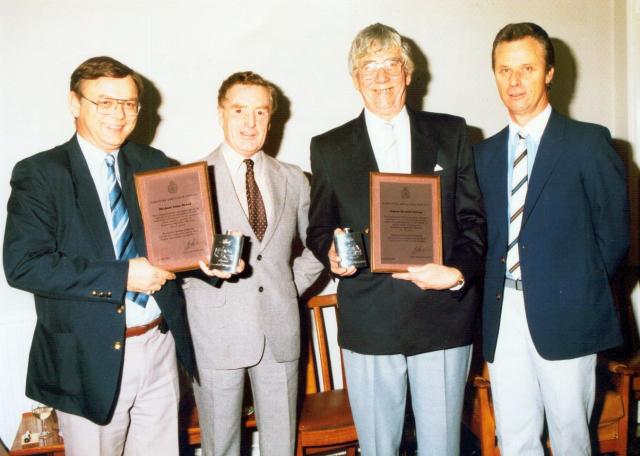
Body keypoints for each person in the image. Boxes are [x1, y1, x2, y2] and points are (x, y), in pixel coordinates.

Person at [306, 23, 485, 456]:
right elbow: (318, 227)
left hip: (441, 317)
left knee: (442, 447)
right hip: (370, 320)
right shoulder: (328, 147)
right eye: (370, 68)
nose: (382, 78)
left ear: (408, 73)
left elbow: (474, 221)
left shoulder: (452, 132)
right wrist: (329, 252)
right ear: (355, 80)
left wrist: (457, 272)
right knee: (378, 449)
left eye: (392, 65)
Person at [3, 56, 195, 455]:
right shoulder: (41, 173)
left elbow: (175, 246)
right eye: (104, 102)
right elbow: (24, 265)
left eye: (128, 103)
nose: (119, 114)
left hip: (158, 346)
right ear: (75, 104)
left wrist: (203, 258)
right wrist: (121, 276)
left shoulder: (154, 163)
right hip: (87, 359)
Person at [474, 22, 629, 455]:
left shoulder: (588, 143)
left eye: (526, 68)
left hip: (567, 315)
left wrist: (574, 289)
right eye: (504, 70)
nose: (514, 81)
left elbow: (614, 238)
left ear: (550, 73)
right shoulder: (483, 155)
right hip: (503, 316)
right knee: (515, 436)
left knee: (570, 437)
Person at [182, 71, 323, 456]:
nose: (250, 123)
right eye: (239, 110)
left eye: (260, 113)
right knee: (221, 445)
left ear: (271, 119)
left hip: (279, 331)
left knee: (281, 443)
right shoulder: (190, 179)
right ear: (220, 113)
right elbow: (175, 260)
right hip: (216, 334)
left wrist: (290, 284)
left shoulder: (294, 179)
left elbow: (319, 243)